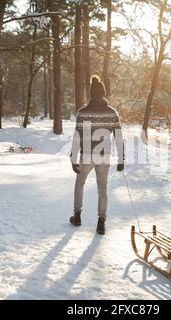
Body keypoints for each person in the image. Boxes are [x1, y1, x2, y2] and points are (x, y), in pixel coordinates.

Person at [69, 75, 125, 235]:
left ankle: (77, 216)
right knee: (102, 188)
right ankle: (101, 222)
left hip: (86, 154)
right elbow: (119, 137)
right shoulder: (112, 113)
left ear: (91, 94)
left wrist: (73, 158)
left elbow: (77, 137)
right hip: (103, 155)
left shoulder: (82, 113)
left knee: (80, 184)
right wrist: (121, 159)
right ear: (104, 93)